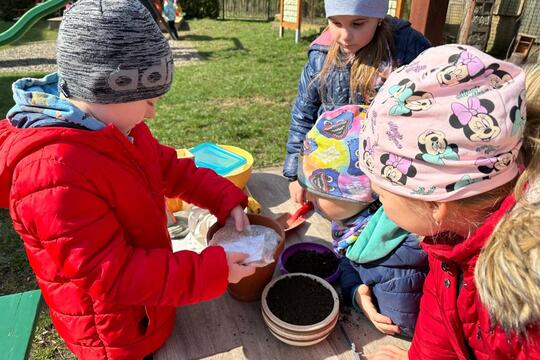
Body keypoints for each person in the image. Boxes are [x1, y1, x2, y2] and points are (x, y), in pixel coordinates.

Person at [0, 1, 255, 359]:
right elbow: (113, 277)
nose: (153, 109)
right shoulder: (53, 175)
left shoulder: (116, 128)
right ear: (104, 89)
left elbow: (167, 167)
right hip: (115, 335)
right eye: (147, 98)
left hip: (149, 305)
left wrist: (223, 197)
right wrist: (212, 270)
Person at [358, 45, 540, 359]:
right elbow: (440, 312)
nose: (377, 201)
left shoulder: (525, 292)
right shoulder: (453, 229)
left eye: (382, 195)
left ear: (434, 203)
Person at [297, 105, 428, 338]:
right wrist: (356, 292)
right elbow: (350, 257)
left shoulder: (395, 256)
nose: (307, 197)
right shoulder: (357, 223)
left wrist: (372, 309)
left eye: (321, 191)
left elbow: (403, 324)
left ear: (365, 193)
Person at [284, 0, 432, 204]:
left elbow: (425, 113)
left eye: (358, 23)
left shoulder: (406, 50)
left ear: (378, 18)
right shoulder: (321, 54)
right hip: (330, 173)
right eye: (336, 23)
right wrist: (296, 174)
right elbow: (303, 114)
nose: (345, 36)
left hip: (386, 179)